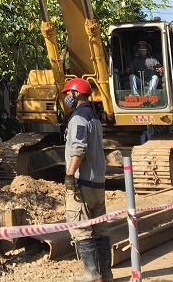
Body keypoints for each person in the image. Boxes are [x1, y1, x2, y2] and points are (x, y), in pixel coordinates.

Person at [62, 77, 111, 282]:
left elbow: (78, 148)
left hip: (83, 182)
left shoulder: (78, 119)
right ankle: (106, 273)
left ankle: (91, 273)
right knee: (99, 228)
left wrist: (70, 175)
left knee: (81, 227)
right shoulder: (94, 118)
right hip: (98, 182)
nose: (66, 98)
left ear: (77, 94)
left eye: (68, 94)